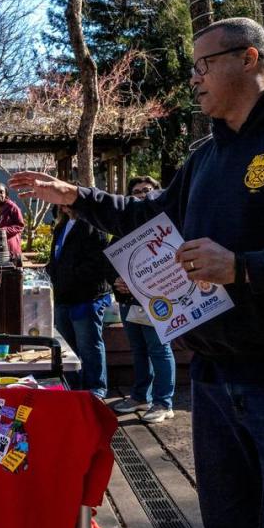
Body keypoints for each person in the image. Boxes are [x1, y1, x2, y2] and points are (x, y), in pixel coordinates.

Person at [9, 17, 264, 528]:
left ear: (251, 59)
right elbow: (150, 218)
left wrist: (244, 267)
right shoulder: (207, 157)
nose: (194, 78)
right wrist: (76, 198)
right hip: (214, 376)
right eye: (193, 67)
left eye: (205, 64)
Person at [110, 176, 178, 424]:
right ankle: (140, 397)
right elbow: (111, 260)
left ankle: (163, 402)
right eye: (136, 191)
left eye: (146, 190)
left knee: (159, 350)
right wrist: (117, 281)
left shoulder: (166, 224)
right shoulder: (124, 225)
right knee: (138, 350)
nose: (141, 195)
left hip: (157, 301)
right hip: (130, 302)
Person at [45, 199, 111, 399]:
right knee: (68, 349)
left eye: (68, 201)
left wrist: (72, 276)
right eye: (62, 202)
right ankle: (73, 387)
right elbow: (55, 259)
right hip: (63, 296)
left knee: (89, 345)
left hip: (86, 297)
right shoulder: (61, 227)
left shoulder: (93, 226)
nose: (65, 205)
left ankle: (96, 388)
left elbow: (99, 262)